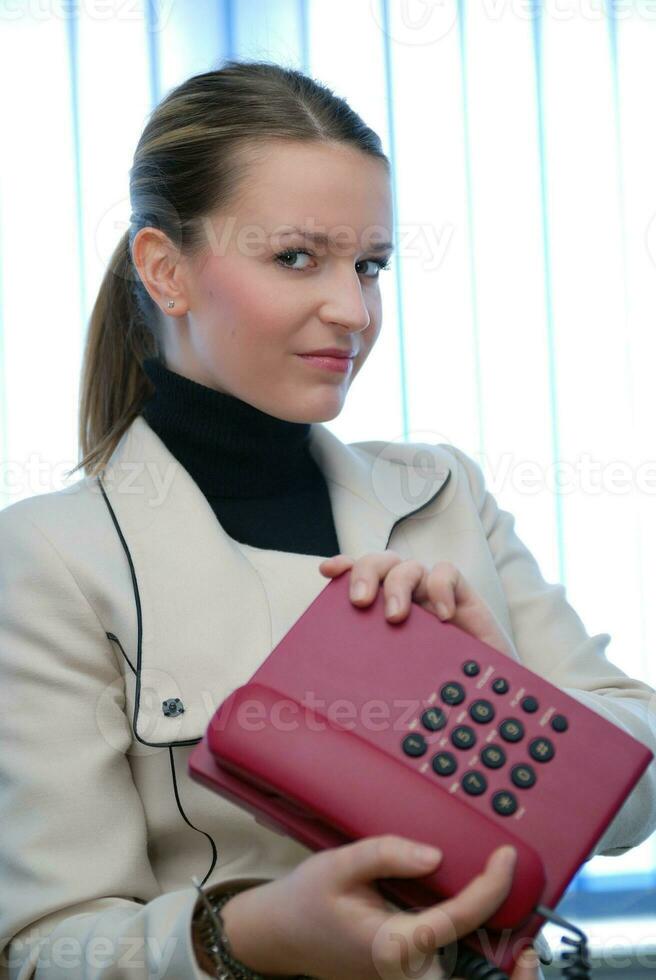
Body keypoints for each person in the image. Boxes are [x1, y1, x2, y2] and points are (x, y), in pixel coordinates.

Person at [0, 59, 655, 980]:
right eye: (296, 257)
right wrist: (248, 935)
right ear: (165, 270)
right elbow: (41, 951)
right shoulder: (52, 559)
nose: (354, 311)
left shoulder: (441, 493)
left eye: (371, 265)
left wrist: (503, 692)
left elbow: (638, 787)